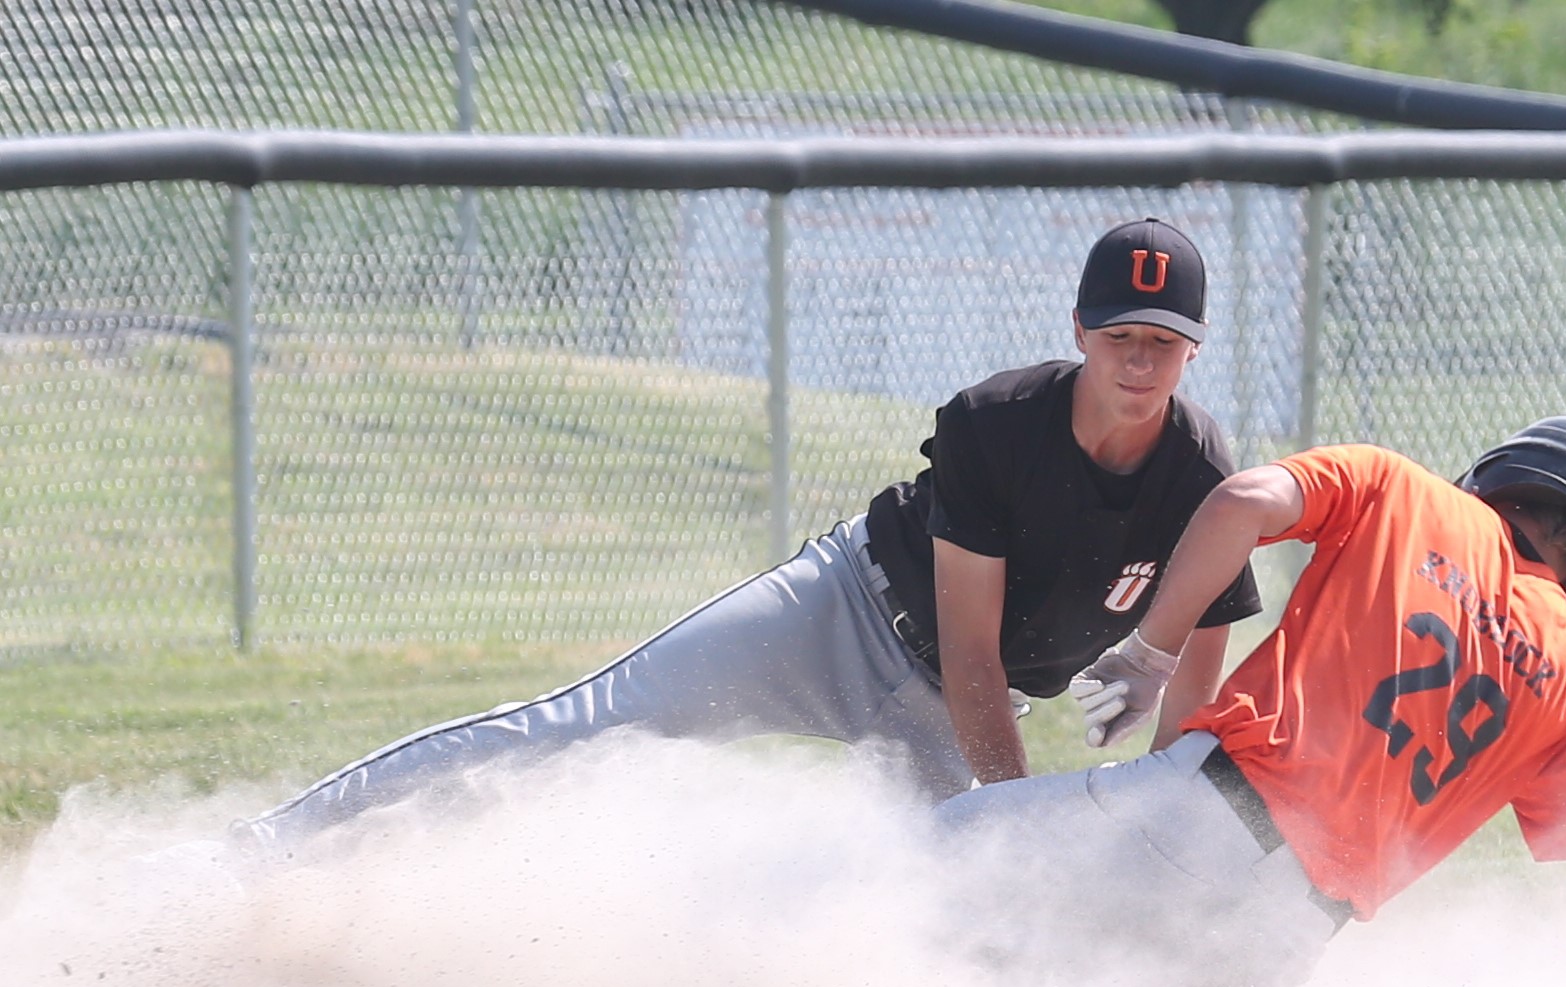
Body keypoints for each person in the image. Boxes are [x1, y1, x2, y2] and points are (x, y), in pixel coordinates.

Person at [231, 217, 1263, 858]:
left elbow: (1194, 695)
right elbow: (972, 650)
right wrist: (1013, 816)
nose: (1141, 360)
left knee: (978, 917)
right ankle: (264, 854)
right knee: (587, 725)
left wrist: (1144, 829)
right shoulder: (997, 422)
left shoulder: (1203, 482)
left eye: (1165, 343)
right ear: (1079, 331)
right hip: (839, 615)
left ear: (1194, 352)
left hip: (945, 715)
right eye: (1121, 335)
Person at [937, 416, 1566, 987]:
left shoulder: (1406, 490)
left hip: (1206, 818)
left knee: (929, 854)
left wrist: (1151, 654)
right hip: (1287, 938)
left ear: (1500, 477)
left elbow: (1241, 502)